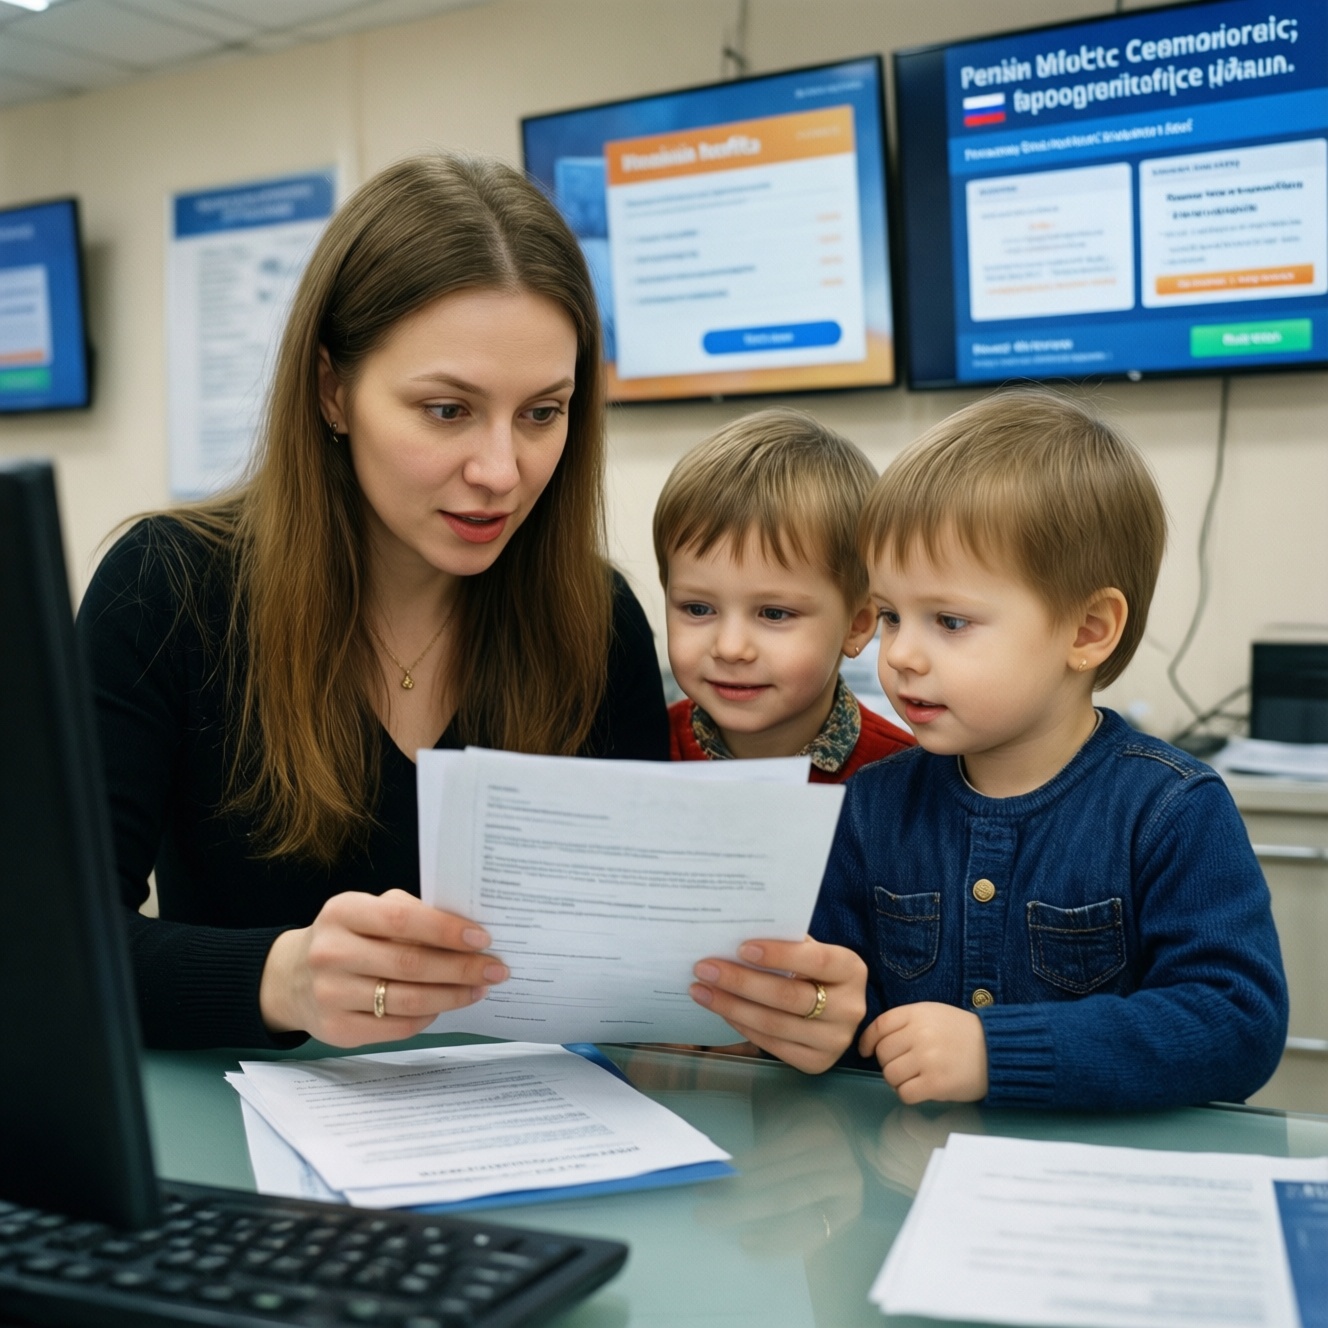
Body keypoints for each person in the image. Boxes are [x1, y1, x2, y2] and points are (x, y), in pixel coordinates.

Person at [79, 152, 859, 1072]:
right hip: (237, 1154)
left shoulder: (596, 619)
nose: (502, 471)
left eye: (542, 413)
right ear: (333, 391)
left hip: (541, 1150)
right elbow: (50, 945)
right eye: (448, 410)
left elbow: (645, 978)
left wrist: (774, 1008)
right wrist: (281, 977)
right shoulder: (166, 588)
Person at [811, 388, 1288, 1110]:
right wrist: (820, 1022)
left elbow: (1236, 1024)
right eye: (889, 616)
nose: (901, 654)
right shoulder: (873, 804)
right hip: (912, 1182)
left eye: (949, 620)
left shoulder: (1170, 809)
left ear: (1088, 630)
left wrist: (994, 1052)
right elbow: (848, 1026)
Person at [652, 408, 913, 781]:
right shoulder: (643, 750)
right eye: (697, 608)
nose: (729, 648)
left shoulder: (905, 783)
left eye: (773, 614)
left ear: (856, 626)